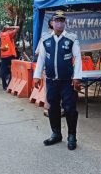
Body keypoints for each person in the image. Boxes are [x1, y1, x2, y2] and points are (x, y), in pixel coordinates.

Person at [33, 10, 82, 150]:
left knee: (70, 108)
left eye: (62, 20)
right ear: (52, 23)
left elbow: (77, 58)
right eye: (57, 20)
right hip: (51, 80)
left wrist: (77, 77)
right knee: (53, 107)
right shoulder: (46, 38)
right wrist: (37, 76)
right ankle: (56, 133)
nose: (59, 23)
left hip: (67, 81)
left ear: (65, 23)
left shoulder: (72, 38)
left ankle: (72, 136)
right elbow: (41, 58)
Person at [0, 24, 19, 90]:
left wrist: (7, 27)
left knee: (4, 71)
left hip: (4, 55)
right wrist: (10, 27)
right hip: (10, 55)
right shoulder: (8, 34)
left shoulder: (1, 34)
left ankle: (4, 86)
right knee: (12, 70)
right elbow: (17, 27)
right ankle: (9, 85)